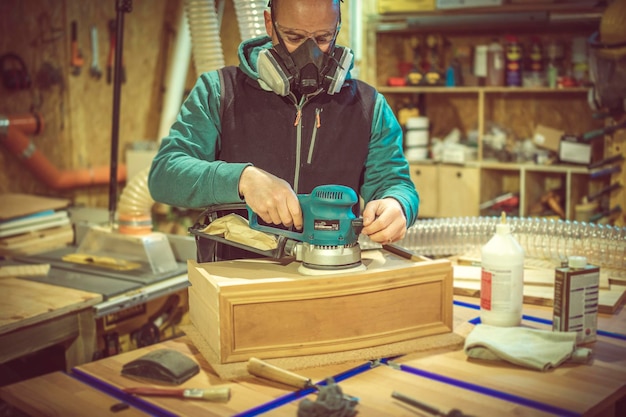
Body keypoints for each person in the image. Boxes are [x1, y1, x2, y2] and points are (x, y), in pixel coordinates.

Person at [148, 0, 419, 254]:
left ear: (337, 27)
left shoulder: (368, 106)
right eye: (294, 37)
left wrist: (398, 205)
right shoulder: (218, 92)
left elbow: (394, 183)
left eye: (323, 38)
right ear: (269, 24)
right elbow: (164, 175)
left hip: (330, 275)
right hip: (238, 281)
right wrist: (242, 179)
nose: (310, 54)